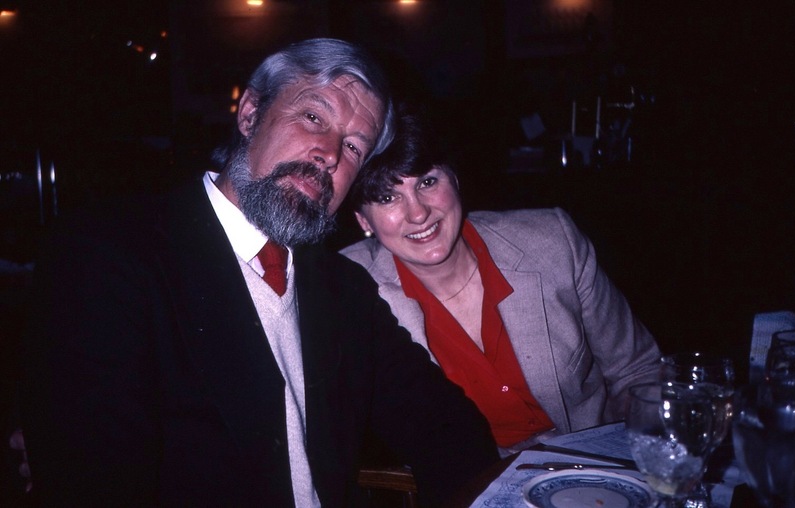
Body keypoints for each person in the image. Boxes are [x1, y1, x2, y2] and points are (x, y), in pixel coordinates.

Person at [19, 39, 498, 507]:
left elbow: (445, 425)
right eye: (314, 118)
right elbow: (95, 479)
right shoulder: (110, 257)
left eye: (354, 146)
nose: (331, 154)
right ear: (250, 114)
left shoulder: (344, 289)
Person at [340, 108, 663, 456]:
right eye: (387, 198)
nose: (418, 213)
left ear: (455, 180)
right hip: (469, 478)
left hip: (594, 462)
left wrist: (637, 456)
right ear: (363, 221)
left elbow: (637, 370)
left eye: (427, 182)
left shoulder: (553, 243)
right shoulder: (348, 287)